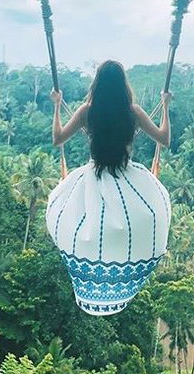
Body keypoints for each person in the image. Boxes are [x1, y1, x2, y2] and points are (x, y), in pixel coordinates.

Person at [45, 60, 172, 316]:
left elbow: (58, 138)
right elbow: (164, 139)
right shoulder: (133, 112)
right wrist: (166, 107)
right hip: (128, 175)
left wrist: (57, 105)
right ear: (123, 85)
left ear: (97, 84)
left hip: (93, 177)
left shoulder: (86, 112)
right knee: (152, 214)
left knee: (67, 217)